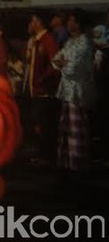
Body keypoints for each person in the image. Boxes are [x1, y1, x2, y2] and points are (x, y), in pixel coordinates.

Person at [52, 10, 96, 172]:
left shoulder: (84, 42)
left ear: (79, 24)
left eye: (73, 21)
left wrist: (63, 64)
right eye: (69, 21)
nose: (70, 24)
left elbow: (72, 68)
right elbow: (56, 60)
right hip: (68, 90)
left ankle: (78, 163)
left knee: (77, 128)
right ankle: (68, 161)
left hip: (78, 92)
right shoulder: (71, 42)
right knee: (68, 127)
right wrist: (63, 63)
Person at [23, 11, 61, 165]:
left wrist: (43, 78)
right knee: (39, 121)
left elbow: (55, 62)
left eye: (33, 20)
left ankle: (47, 155)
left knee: (45, 123)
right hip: (36, 89)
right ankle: (42, 153)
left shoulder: (47, 40)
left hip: (43, 91)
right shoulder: (36, 41)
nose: (31, 24)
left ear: (38, 22)